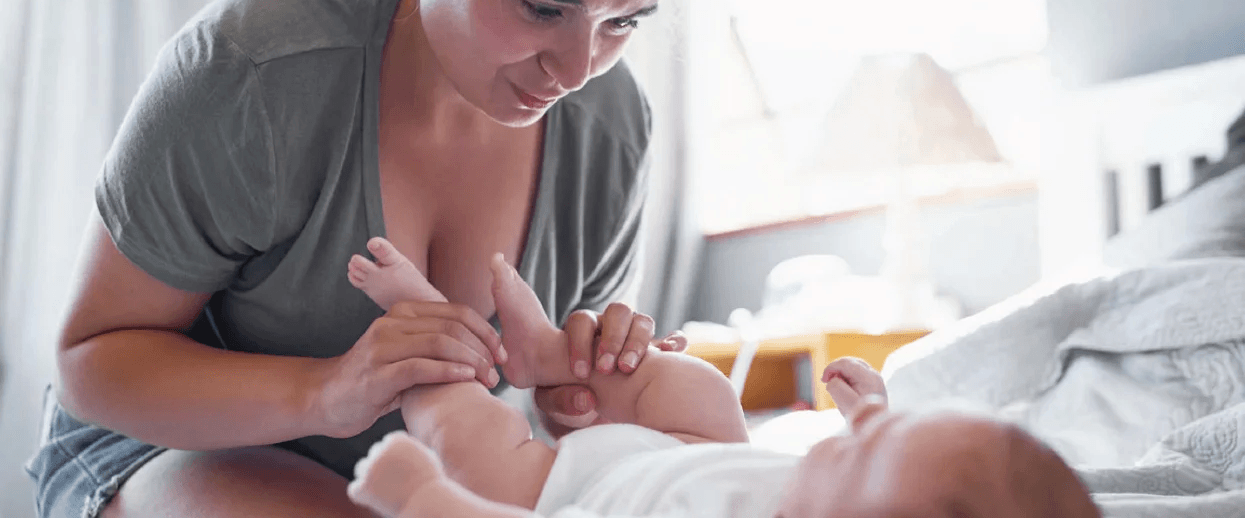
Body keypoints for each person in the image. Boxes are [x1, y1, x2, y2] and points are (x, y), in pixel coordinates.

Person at [26, 0, 721, 517]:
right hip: (166, 446)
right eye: (542, 7)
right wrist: (326, 390)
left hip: (429, 467)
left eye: (623, 23)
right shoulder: (252, 69)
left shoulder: (612, 127)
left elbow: (555, 418)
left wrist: (597, 386)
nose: (575, 69)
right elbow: (94, 362)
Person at [343, 238, 1103, 518]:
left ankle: (427, 325)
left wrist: (426, 498)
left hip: (574, 489)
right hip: (695, 447)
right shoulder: (831, 493)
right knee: (693, 385)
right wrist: (869, 411)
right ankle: (541, 355)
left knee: (478, 449)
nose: (861, 435)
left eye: (868, 448)